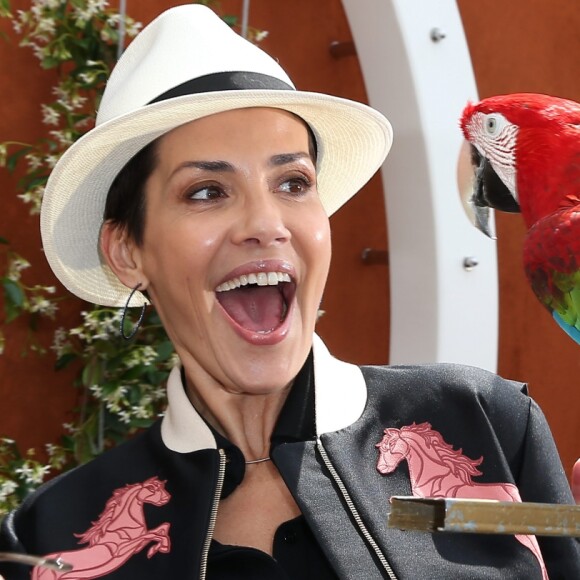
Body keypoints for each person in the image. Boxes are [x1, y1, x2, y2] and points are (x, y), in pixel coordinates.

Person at [0, 5, 578, 579]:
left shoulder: (487, 422)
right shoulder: (52, 533)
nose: (267, 222)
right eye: (205, 192)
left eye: (294, 183)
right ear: (128, 253)